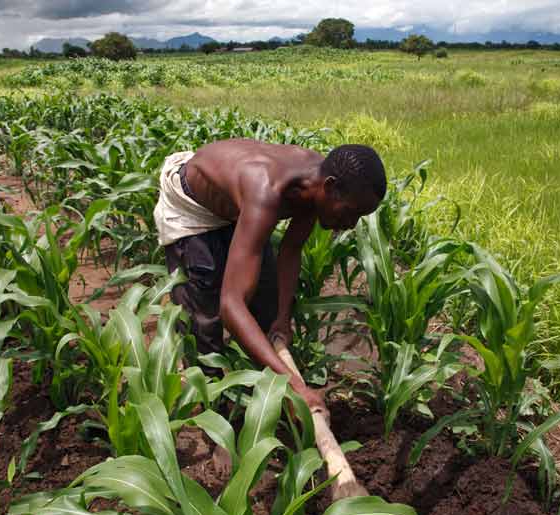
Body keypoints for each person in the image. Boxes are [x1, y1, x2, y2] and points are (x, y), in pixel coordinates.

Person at [154, 139, 386, 418]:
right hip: (192, 208)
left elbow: (291, 249)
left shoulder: (315, 183)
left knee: (266, 304)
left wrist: (282, 318)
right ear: (329, 187)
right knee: (204, 322)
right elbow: (231, 306)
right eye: (350, 212)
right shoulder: (268, 190)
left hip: (237, 207)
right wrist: (295, 386)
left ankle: (267, 399)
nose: (351, 224)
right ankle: (214, 417)